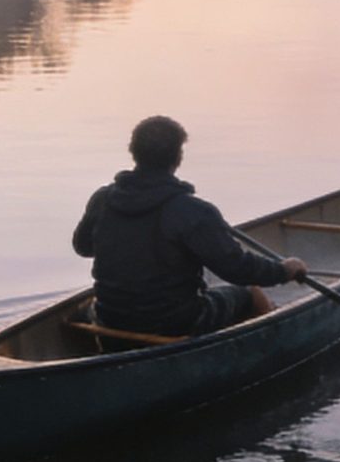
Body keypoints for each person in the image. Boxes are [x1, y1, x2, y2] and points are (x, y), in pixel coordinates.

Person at [72, 116, 308, 337]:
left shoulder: (103, 199)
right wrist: (284, 270)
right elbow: (237, 270)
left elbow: (83, 247)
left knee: (83, 309)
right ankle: (274, 343)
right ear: (178, 158)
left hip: (109, 316)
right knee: (249, 292)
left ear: (133, 152)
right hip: (176, 323)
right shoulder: (193, 211)